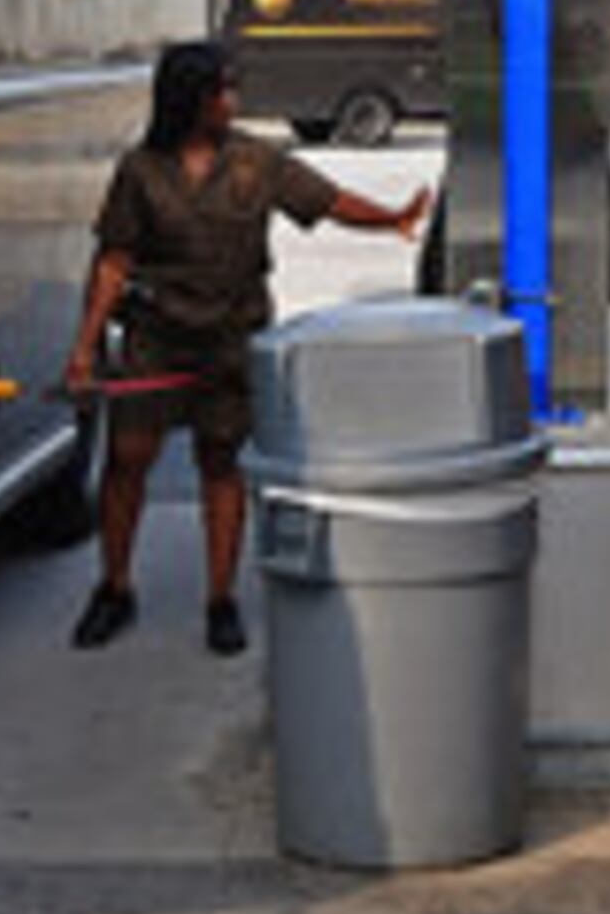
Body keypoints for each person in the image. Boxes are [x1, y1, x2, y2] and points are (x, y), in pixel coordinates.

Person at [62, 38, 426, 654]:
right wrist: (84, 349)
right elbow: (112, 263)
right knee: (127, 460)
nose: (233, 100)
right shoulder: (140, 171)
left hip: (231, 340)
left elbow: (329, 201)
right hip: (154, 338)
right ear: (191, 100)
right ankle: (114, 588)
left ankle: (220, 599)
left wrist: (392, 218)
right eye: (222, 90)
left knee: (221, 465)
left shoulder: (258, 163)